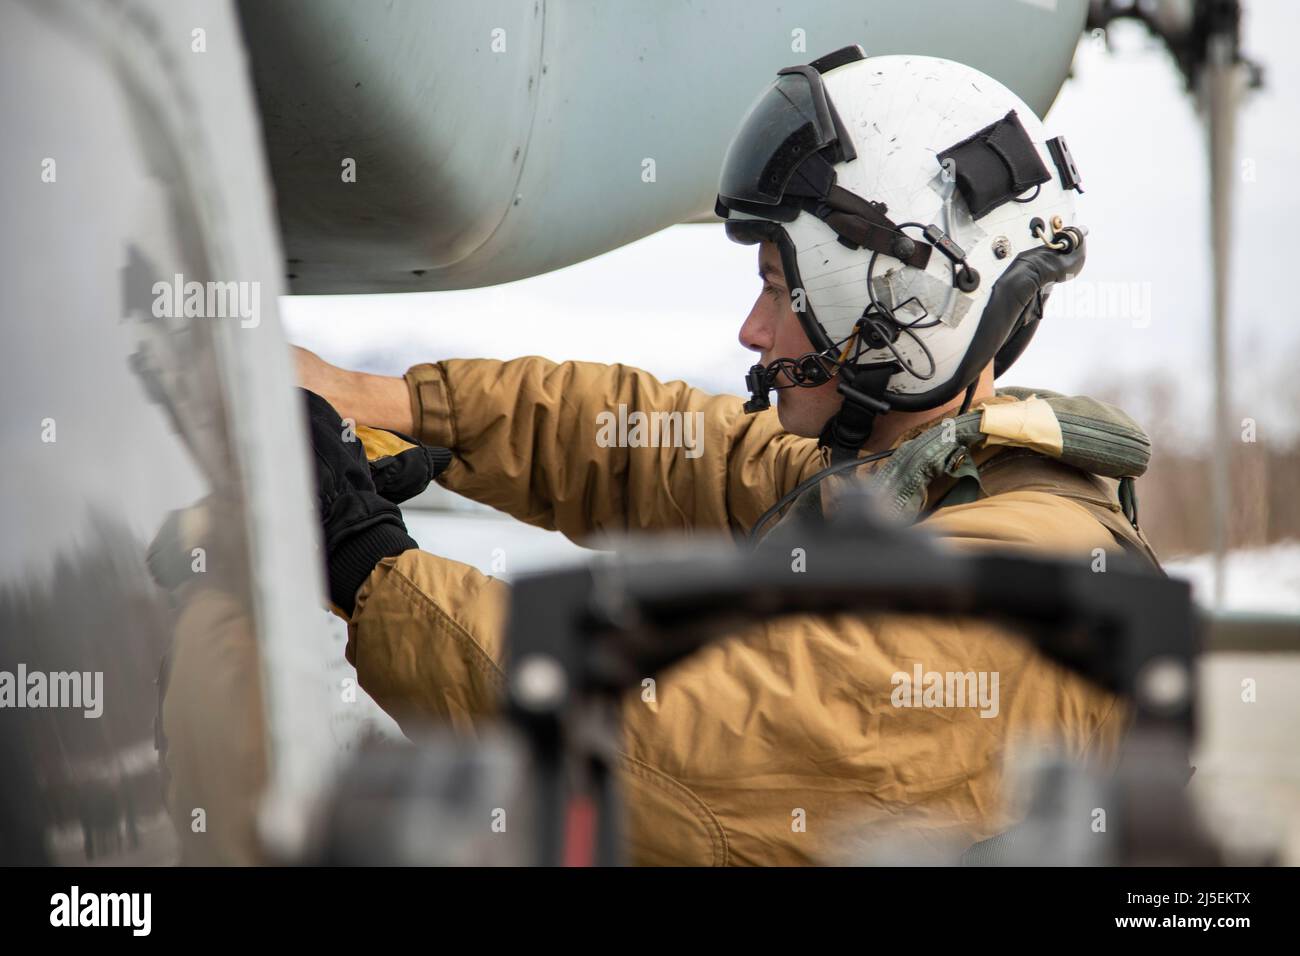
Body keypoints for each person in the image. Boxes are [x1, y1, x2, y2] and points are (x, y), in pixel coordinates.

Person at [295, 49, 1161, 865]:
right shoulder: (915, 477)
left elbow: (672, 741)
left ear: (906, 312)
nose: (753, 330)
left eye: (780, 290)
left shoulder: (1021, 584)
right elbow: (648, 443)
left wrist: (366, 560)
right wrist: (387, 407)